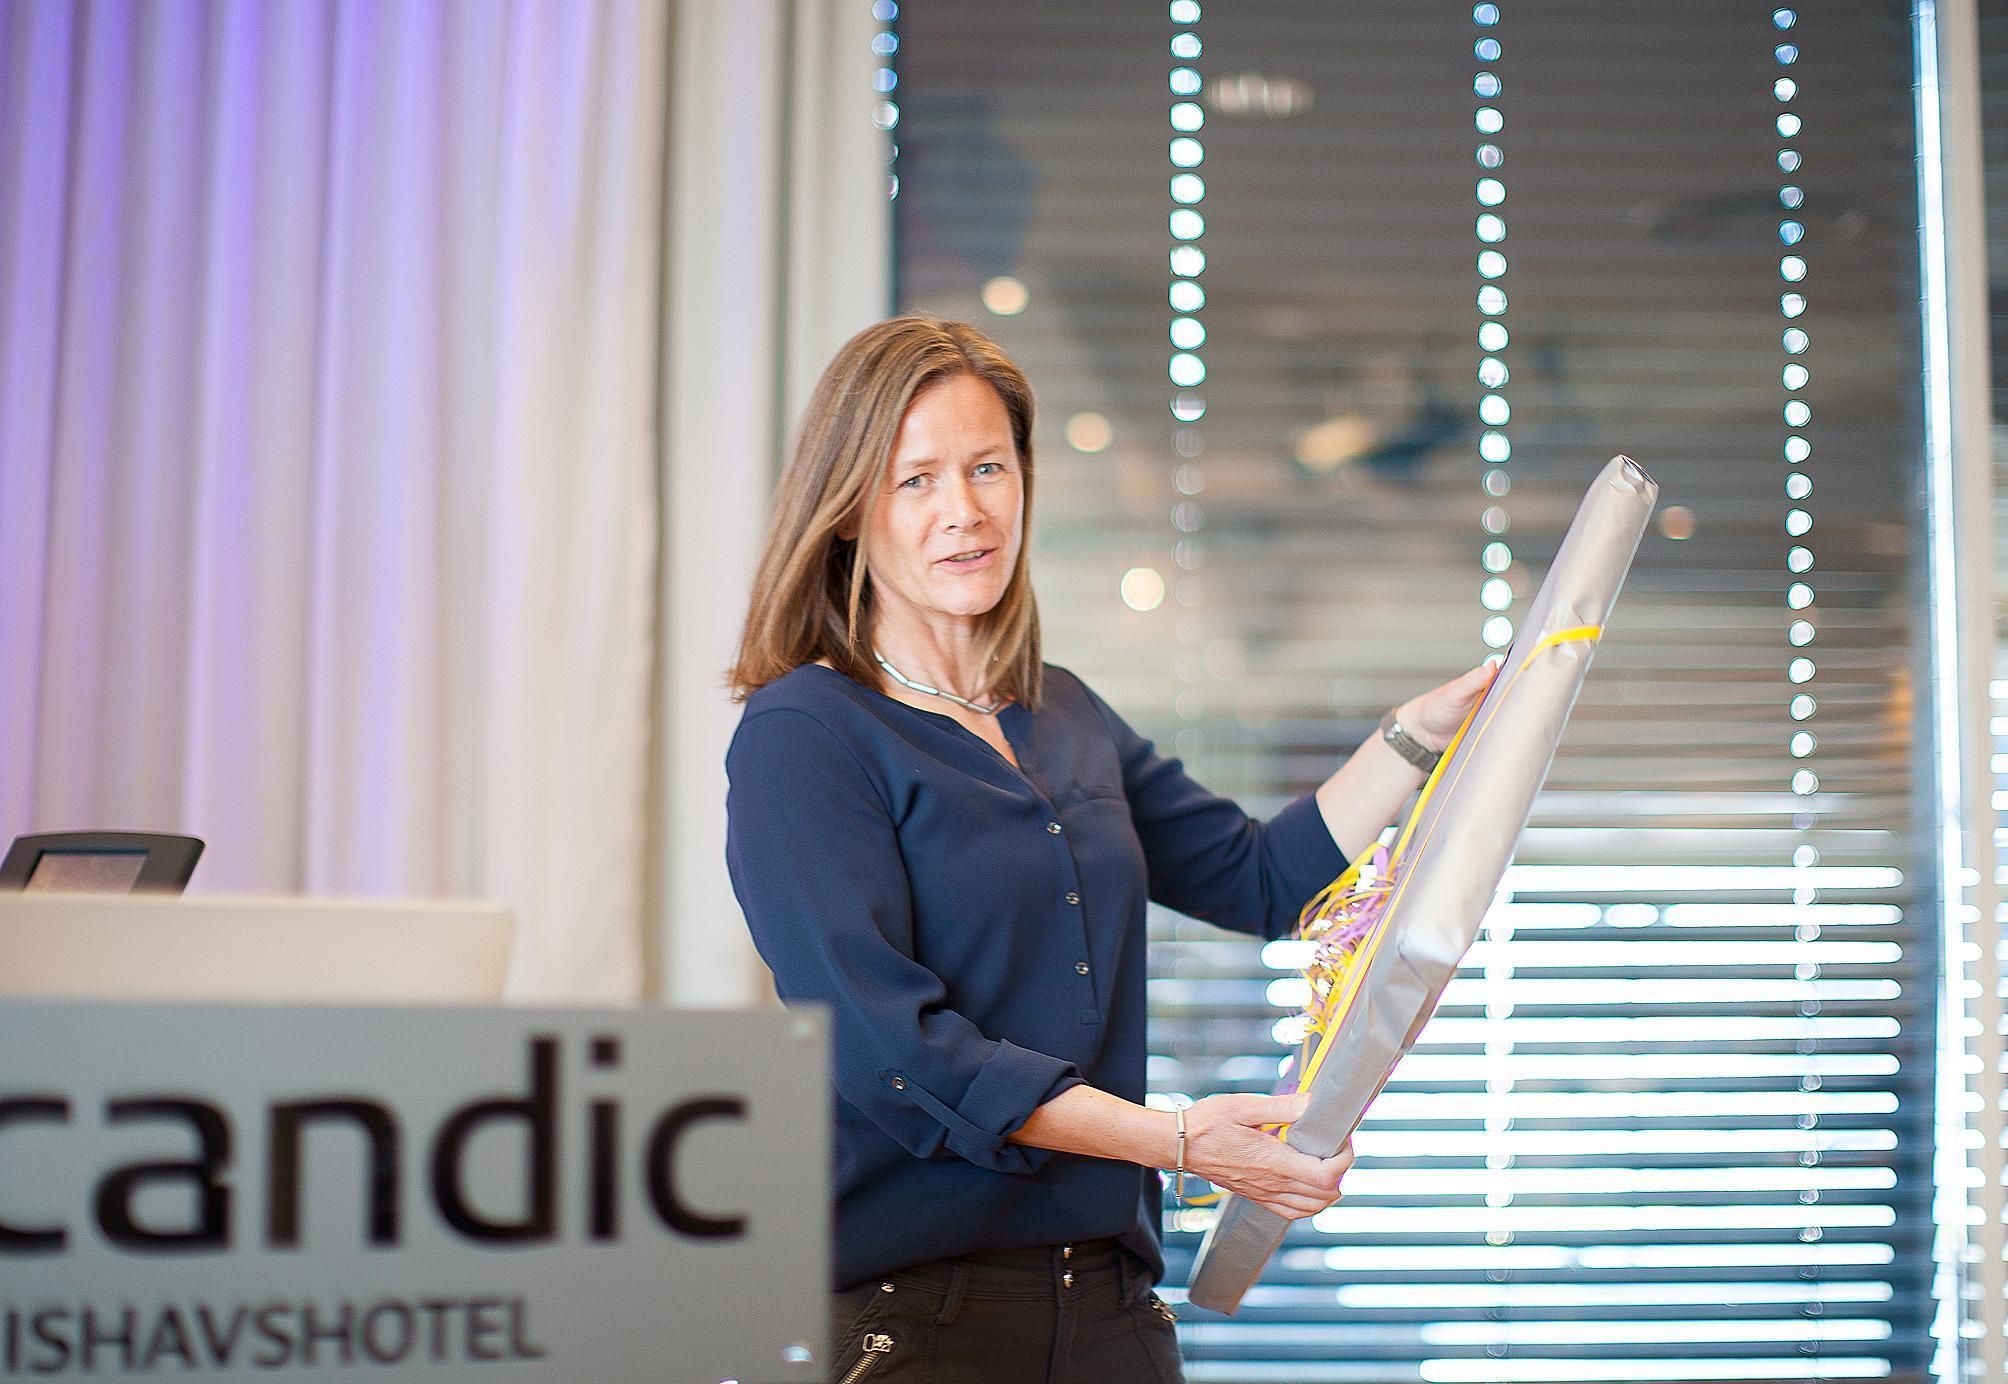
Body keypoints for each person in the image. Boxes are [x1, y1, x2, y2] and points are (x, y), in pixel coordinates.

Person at [724, 316, 1491, 1384]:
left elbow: (1261, 879)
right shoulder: (806, 731)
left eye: (988, 467)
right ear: (849, 509)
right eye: (916, 480)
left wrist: (1415, 735)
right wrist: (1175, 1141)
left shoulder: (1065, 713)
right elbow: (890, 1050)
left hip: (1111, 1309)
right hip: (918, 1318)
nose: (965, 510)